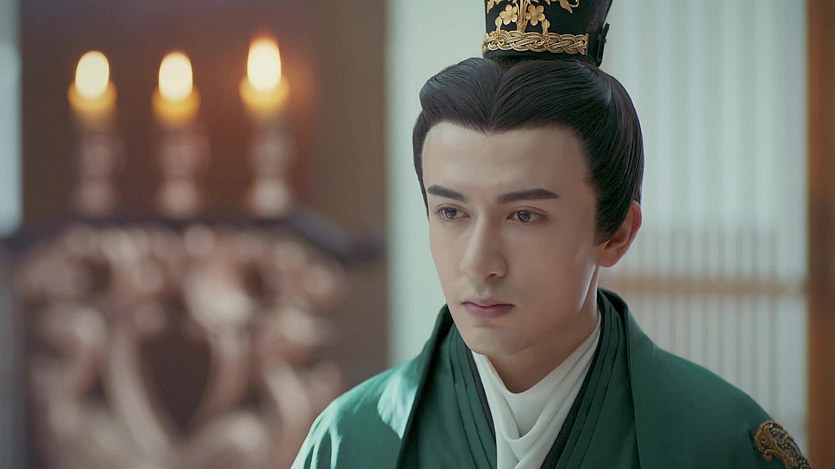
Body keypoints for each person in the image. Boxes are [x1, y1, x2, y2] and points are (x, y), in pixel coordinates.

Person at [292, 1, 810, 468]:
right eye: (451, 212)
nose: (479, 263)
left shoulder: (723, 444)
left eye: (524, 216)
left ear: (617, 233)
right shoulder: (350, 441)